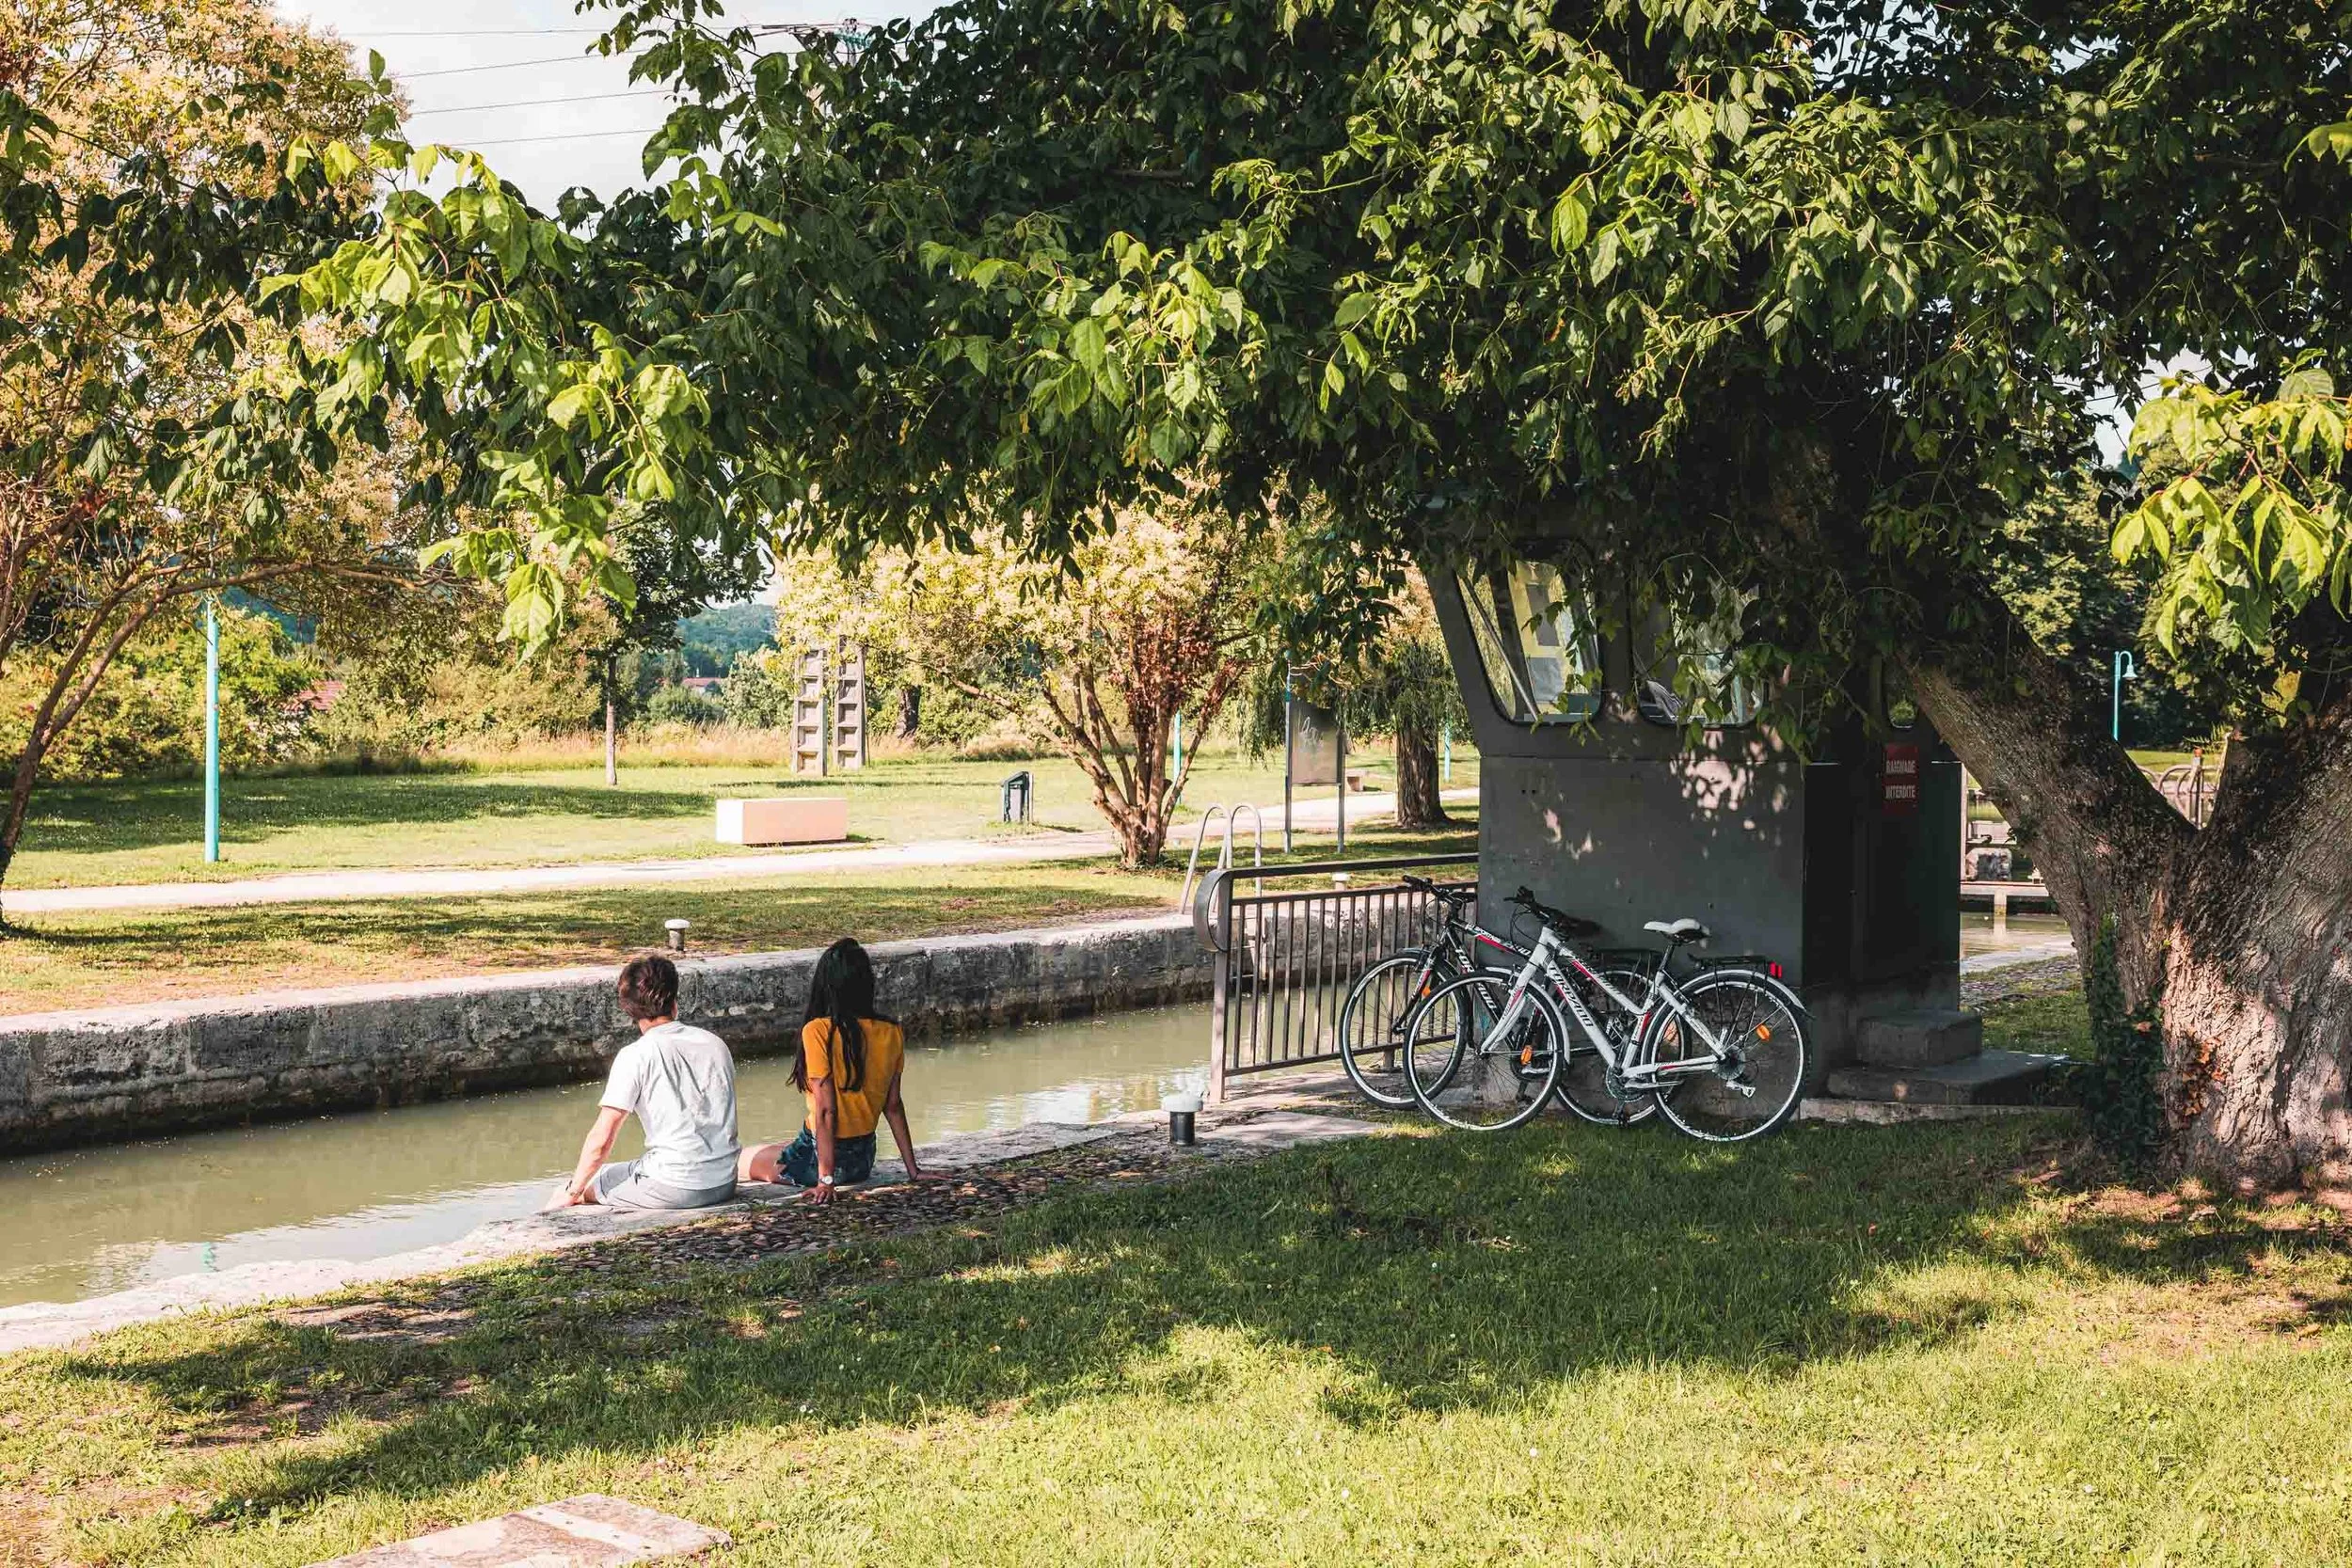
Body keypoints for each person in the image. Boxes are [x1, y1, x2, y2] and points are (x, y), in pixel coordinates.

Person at [740, 937, 936, 1202]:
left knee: (739, 1159)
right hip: (862, 1159)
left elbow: (826, 1110)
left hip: (817, 1161)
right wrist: (913, 1170)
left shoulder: (818, 1030)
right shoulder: (891, 1031)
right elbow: (893, 1105)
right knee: (775, 1147)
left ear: (824, 985)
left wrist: (826, 1180)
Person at [546, 953, 740, 1212]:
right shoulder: (715, 1043)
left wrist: (573, 1191)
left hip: (676, 1187)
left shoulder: (636, 1055)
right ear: (674, 1000)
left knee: (576, 1187)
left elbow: (603, 1136)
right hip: (725, 1181)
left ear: (629, 1008)